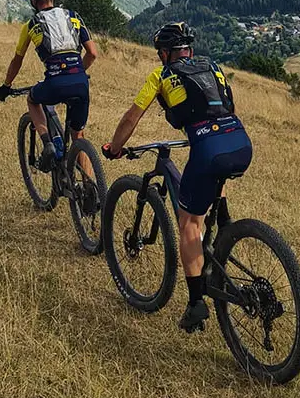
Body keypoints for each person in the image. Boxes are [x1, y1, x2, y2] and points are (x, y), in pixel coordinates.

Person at [103, 22, 253, 333]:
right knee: (211, 185)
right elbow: (227, 106)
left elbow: (133, 115)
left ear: (164, 53)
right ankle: (224, 234)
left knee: (188, 223)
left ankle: (196, 303)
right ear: (190, 49)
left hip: (208, 148)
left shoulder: (161, 75)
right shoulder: (212, 66)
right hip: (240, 142)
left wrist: (115, 147)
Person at [0, 0, 99, 171]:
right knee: (78, 136)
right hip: (80, 83)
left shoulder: (31, 25)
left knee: (33, 100)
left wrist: (6, 86)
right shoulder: (74, 17)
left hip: (54, 83)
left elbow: (17, 60)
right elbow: (92, 53)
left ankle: (48, 144)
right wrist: (78, 72)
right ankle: (92, 191)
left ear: (33, 1)